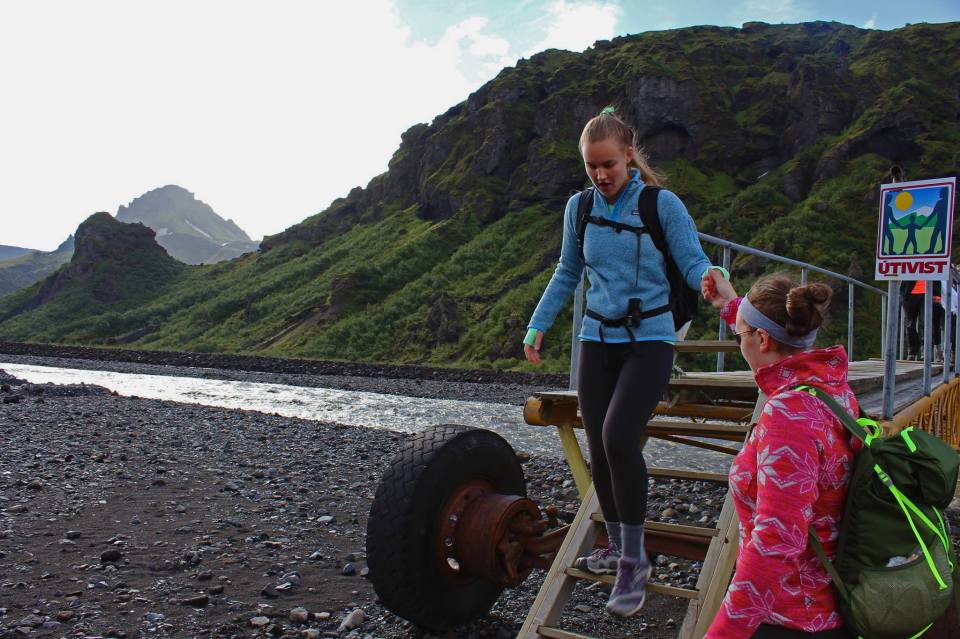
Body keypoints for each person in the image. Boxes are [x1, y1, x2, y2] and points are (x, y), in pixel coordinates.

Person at [522, 107, 724, 617]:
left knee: (618, 437)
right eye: (591, 166)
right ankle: (616, 547)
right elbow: (568, 271)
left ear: (629, 156)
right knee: (598, 446)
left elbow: (692, 259)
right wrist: (538, 323)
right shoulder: (579, 208)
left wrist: (711, 278)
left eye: (608, 164)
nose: (600, 174)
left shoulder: (661, 204)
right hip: (596, 338)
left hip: (650, 339)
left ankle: (635, 562)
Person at [701, 271, 859, 639]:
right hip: (828, 602)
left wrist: (723, 633)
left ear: (762, 338)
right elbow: (766, 327)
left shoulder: (788, 415)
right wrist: (731, 305)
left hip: (790, 617)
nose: (740, 342)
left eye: (741, 335)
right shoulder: (832, 388)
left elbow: (777, 540)